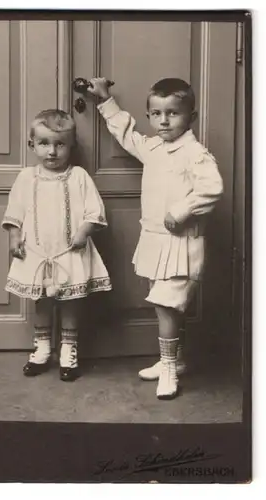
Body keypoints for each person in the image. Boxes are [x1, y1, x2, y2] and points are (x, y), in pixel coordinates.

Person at [87, 77, 223, 399]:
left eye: (173, 113)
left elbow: (211, 188)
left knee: (166, 307)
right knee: (168, 308)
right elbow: (125, 134)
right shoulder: (153, 147)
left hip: (180, 244)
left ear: (191, 116)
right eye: (157, 113)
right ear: (149, 116)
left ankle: (168, 366)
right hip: (155, 242)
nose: (164, 121)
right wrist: (105, 100)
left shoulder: (195, 153)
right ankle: (175, 361)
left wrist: (180, 211)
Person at [1, 108, 112, 381]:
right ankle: (41, 348)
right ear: (32, 144)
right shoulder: (26, 178)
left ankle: (68, 350)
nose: (52, 151)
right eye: (44, 143)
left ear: (71, 145)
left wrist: (84, 231)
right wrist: (15, 237)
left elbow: (94, 211)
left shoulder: (79, 177)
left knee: (71, 302)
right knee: (42, 301)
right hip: (37, 252)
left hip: (70, 251)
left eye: (60, 144)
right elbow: (15, 211)